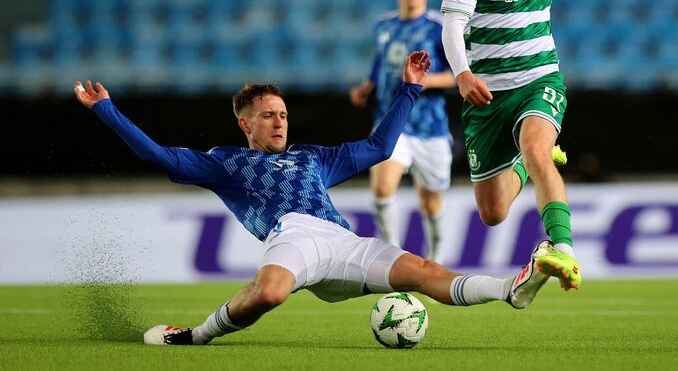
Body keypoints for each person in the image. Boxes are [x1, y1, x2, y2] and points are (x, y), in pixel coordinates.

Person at [74, 51, 561, 347]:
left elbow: (378, 148)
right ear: (245, 124)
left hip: (341, 241)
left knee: (428, 273)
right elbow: (159, 156)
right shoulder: (225, 162)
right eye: (268, 115)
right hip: (291, 236)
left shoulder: (314, 157)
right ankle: (195, 336)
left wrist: (409, 91)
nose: (280, 121)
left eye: (282, 113)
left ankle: (511, 290)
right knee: (269, 294)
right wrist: (108, 111)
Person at [440, 0, 642, 291]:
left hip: (539, 77)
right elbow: (454, 22)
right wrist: (462, 73)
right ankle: (530, 158)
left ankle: (562, 249)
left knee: (535, 150)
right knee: (493, 212)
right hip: (487, 92)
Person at [349, 0, 455, 263]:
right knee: (382, 188)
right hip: (391, 123)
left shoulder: (439, 28)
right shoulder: (383, 25)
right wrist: (367, 85)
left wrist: (423, 81)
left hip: (430, 127)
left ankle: (434, 262)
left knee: (431, 204)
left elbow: (458, 76)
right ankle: (394, 258)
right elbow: (381, 62)